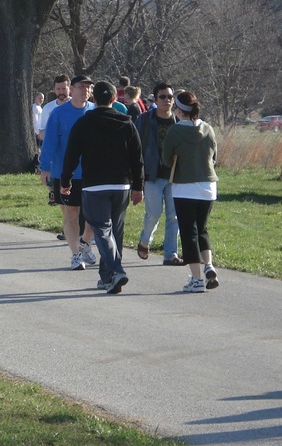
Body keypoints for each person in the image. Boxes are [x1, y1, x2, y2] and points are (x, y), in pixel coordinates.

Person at [60, 82, 143, 293]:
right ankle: (107, 278)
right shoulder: (126, 122)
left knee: (103, 230)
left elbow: (71, 155)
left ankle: (116, 270)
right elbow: (137, 157)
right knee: (116, 231)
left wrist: (65, 181)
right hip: (121, 185)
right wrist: (138, 185)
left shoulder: (84, 123)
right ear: (114, 99)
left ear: (93, 99)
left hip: (95, 185)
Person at [161, 90, 219, 294]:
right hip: (208, 186)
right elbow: (214, 156)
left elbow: (166, 159)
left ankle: (196, 279)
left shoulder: (175, 131)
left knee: (188, 233)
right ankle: (209, 265)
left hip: (184, 187)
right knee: (202, 229)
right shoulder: (208, 128)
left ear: (179, 110)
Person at [39, 75, 99, 270]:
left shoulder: (94, 112)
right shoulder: (59, 113)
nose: (85, 91)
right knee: (71, 213)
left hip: (91, 172)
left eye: (88, 88)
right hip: (65, 172)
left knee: (93, 215)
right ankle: (75, 255)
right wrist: (45, 168)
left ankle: (85, 243)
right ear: (71, 89)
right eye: (81, 87)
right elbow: (50, 142)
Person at [135, 82, 185, 266]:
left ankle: (170, 254)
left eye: (170, 97)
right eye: (162, 97)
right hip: (152, 175)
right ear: (155, 99)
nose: (167, 100)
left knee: (174, 216)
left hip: (174, 176)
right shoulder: (145, 120)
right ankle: (144, 241)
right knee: (154, 213)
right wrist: (136, 176)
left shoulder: (179, 121)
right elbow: (135, 146)